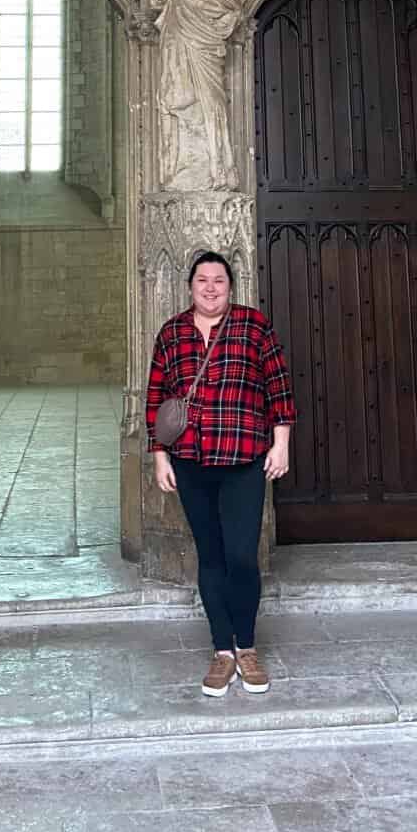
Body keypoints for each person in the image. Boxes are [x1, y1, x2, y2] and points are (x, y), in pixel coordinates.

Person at [145, 251, 296, 698]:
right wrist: (159, 456)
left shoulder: (254, 326)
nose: (210, 288)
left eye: (218, 281)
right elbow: (156, 397)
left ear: (231, 287)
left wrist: (281, 443)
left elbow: (279, 387)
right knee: (209, 556)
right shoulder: (172, 333)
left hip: (244, 459)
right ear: (190, 286)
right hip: (191, 461)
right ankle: (221, 651)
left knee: (242, 556)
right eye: (202, 281)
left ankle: (246, 647)